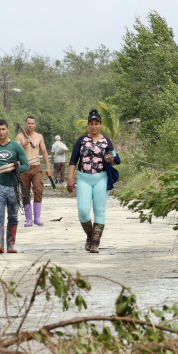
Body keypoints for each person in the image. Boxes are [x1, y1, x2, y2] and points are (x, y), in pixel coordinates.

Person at [67, 108, 117, 253]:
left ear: (101, 125)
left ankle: (95, 243)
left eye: (97, 123)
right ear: (88, 125)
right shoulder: (82, 140)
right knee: (83, 211)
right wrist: (70, 178)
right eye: (91, 124)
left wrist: (111, 159)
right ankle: (90, 236)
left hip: (101, 178)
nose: (94, 126)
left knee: (99, 210)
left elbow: (114, 160)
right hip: (84, 178)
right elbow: (73, 160)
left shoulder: (106, 141)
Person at [0, 119, 30, 254]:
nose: (1, 132)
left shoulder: (16, 146)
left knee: (13, 217)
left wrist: (15, 169)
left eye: (3, 129)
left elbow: (26, 165)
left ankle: (10, 246)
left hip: (14, 187)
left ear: (8, 130)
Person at [15, 116, 52, 227]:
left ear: (35, 125)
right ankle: (29, 219)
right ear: (25, 125)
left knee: (38, 189)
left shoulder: (39, 137)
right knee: (25, 193)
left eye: (32, 123)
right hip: (24, 168)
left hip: (36, 167)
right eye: (28, 123)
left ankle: (37, 218)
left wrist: (48, 167)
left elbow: (44, 152)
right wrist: (25, 144)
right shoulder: (19, 136)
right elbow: (15, 151)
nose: (30, 125)